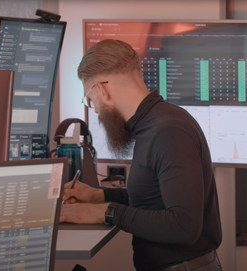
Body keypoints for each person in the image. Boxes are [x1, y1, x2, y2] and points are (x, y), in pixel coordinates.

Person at [59, 39, 223, 271]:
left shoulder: (168, 131)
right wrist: (98, 196)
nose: (94, 109)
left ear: (102, 90)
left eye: (90, 100)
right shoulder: (154, 123)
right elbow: (153, 199)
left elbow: (184, 225)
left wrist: (107, 213)